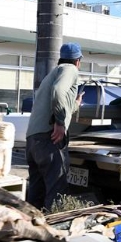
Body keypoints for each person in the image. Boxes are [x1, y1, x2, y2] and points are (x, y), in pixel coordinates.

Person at [25, 42, 84, 211]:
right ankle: (53, 230)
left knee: (36, 192)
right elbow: (59, 91)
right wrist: (59, 123)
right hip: (48, 139)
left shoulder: (52, 74)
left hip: (33, 140)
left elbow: (58, 97)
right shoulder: (70, 69)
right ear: (77, 61)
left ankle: (32, 228)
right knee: (56, 190)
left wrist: (76, 103)